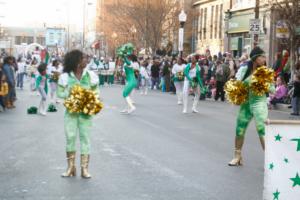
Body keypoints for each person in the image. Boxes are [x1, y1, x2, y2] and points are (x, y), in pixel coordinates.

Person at [228, 46, 275, 166]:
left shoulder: (265, 71)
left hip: (259, 103)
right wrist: (236, 88)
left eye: (264, 57)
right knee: (239, 129)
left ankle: (269, 160)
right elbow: (237, 85)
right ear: (255, 58)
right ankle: (237, 156)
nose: (264, 59)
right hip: (246, 104)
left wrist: (263, 83)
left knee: (261, 129)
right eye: (262, 56)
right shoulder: (244, 69)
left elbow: (273, 89)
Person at [57, 50, 99, 178]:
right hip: (71, 112)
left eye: (86, 58)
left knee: (85, 138)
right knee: (70, 138)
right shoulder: (65, 77)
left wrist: (90, 98)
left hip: (85, 112)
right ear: (76, 61)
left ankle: (84, 169)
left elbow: (96, 92)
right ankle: (70, 168)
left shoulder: (91, 75)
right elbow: (60, 94)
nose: (86, 60)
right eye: (83, 58)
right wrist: (70, 92)